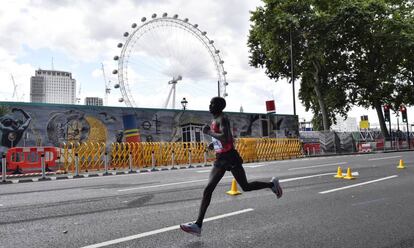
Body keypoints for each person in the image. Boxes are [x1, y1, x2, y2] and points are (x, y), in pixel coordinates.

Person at [180, 97, 283, 237]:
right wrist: (214, 143)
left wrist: (209, 133)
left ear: (219, 107)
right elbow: (222, 138)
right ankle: (198, 225)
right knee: (208, 189)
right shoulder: (215, 119)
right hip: (221, 158)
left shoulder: (223, 119)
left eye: (213, 104)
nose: (209, 106)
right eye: (210, 103)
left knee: (245, 186)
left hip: (230, 157)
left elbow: (227, 137)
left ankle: (272, 184)